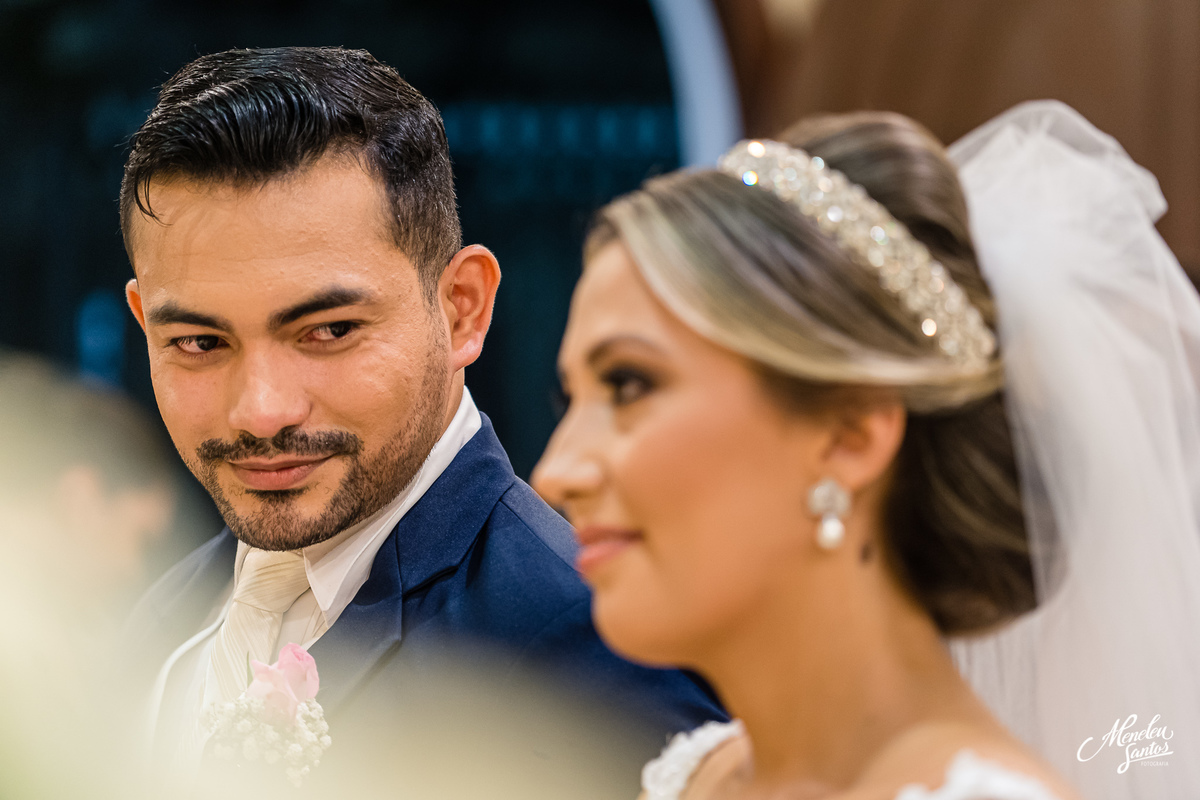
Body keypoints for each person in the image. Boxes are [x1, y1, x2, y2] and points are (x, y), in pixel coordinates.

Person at [533, 101, 1200, 799]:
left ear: (851, 435)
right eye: (570, 398)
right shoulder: (690, 776)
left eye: (629, 384)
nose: (555, 472)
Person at [118, 46, 723, 788]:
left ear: (462, 307)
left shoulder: (587, 652)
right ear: (146, 326)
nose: (262, 409)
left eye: (330, 331)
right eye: (200, 343)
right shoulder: (158, 616)